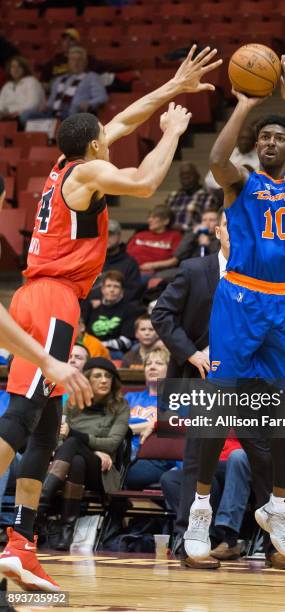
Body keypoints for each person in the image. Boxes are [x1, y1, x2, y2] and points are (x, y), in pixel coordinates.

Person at [0, 43, 221, 591]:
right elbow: (146, 183)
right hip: (52, 298)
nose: (112, 132)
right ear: (95, 144)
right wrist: (171, 133)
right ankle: (15, 545)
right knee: (22, 419)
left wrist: (174, 87)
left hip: (45, 295)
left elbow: (124, 117)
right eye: (105, 134)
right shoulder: (90, 173)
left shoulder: (63, 165)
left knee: (45, 431)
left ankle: (20, 547)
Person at [184, 54, 285, 564]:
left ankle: (279, 507)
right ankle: (201, 507)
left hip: (282, 303)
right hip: (239, 299)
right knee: (217, 404)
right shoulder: (240, 182)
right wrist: (244, 107)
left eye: (279, 138)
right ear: (256, 144)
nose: (270, 143)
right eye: (264, 137)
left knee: (283, 410)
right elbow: (217, 160)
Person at [152, 210, 285, 570]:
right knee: (199, 457)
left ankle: (274, 540)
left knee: (262, 456)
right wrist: (192, 353)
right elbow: (162, 315)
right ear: (219, 231)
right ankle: (189, 542)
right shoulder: (194, 270)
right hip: (205, 378)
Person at [40, 358, 129, 550]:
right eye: (98, 376)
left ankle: (40, 504)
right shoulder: (71, 403)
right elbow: (57, 438)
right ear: (86, 380)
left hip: (102, 473)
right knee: (77, 461)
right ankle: (66, 532)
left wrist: (75, 436)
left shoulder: (121, 406)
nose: (104, 380)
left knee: (73, 441)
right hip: (74, 466)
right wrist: (95, 450)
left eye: (108, 376)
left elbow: (113, 443)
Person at [124, 348, 177, 489]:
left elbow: (171, 425)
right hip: (123, 452)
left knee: (123, 474)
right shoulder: (130, 397)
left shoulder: (176, 399)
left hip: (156, 459)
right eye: (148, 364)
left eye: (159, 363)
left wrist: (128, 428)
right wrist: (148, 425)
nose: (152, 366)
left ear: (169, 369)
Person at [23, 46, 108, 122]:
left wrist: (89, 104)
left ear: (85, 62)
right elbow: (51, 102)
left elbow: (102, 97)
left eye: (79, 59)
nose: (76, 63)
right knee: (27, 115)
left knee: (73, 110)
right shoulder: (59, 80)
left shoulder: (92, 77)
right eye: (73, 59)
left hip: (74, 114)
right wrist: (45, 106)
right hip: (53, 114)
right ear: (68, 62)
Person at [82, 270, 144, 359]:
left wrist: (99, 345)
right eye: (108, 286)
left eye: (116, 286)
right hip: (91, 349)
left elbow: (126, 342)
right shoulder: (93, 308)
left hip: (115, 352)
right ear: (102, 289)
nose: (112, 290)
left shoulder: (130, 310)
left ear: (122, 290)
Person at [89, 219, 143, 302]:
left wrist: (105, 303)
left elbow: (133, 293)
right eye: (103, 234)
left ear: (119, 236)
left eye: (110, 234)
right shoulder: (90, 260)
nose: (106, 237)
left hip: (117, 310)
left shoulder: (130, 263)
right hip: (88, 309)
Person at [126, 204, 182, 280]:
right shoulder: (140, 235)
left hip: (153, 272)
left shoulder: (175, 236)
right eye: (149, 217)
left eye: (154, 217)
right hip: (129, 269)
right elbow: (125, 254)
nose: (149, 220)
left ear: (166, 221)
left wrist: (152, 265)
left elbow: (174, 260)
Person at [165, 162, 218, 230]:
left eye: (189, 175)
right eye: (182, 176)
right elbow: (163, 218)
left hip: (193, 236)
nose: (185, 178)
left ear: (198, 176)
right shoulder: (173, 197)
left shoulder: (208, 197)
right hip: (171, 235)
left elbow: (210, 223)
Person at [204, 126, 258, 192]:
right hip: (221, 193)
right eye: (242, 138)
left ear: (254, 141)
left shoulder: (259, 158)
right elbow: (208, 179)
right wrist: (224, 189)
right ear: (237, 139)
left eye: (248, 139)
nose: (244, 142)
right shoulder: (227, 153)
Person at [0, 56, 45, 122]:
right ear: (9, 69)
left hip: (28, 117)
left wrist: (9, 112)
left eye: (19, 66)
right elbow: (1, 105)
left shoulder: (32, 81)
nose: (16, 69)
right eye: (13, 67)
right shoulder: (7, 86)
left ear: (25, 69)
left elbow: (32, 105)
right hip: (8, 117)